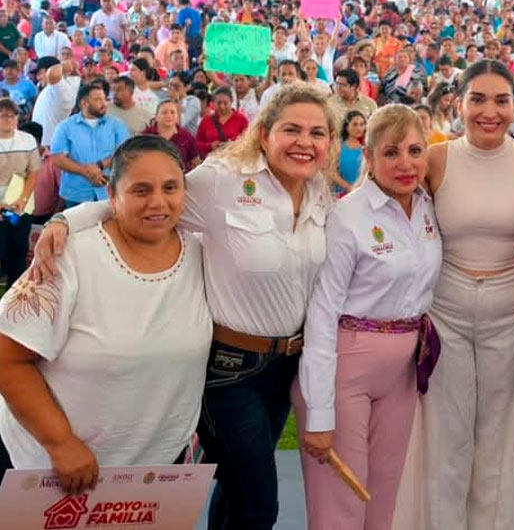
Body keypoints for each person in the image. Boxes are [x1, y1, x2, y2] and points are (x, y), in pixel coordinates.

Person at [35, 83, 339, 529]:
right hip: (230, 373)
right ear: (264, 132)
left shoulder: (319, 193)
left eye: (317, 133)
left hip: (286, 369)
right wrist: (65, 219)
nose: (304, 142)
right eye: (291, 129)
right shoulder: (223, 180)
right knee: (259, 506)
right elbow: (148, 196)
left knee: (237, 495)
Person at [0, 136, 209, 492]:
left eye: (170, 187)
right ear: (112, 196)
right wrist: (60, 443)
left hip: (152, 476)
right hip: (53, 473)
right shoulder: (67, 258)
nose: (158, 202)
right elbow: (7, 357)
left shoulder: (203, 254)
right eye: (140, 190)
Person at [414, 60, 514, 530]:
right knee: (444, 432)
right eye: (478, 99)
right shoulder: (435, 159)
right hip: (444, 311)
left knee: (505, 432)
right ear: (460, 103)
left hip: (512, 310)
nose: (488, 111)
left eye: (500, 100)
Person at [293, 105, 439, 530]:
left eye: (415, 150)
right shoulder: (347, 216)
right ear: (369, 157)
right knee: (341, 499)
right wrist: (320, 412)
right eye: (391, 152)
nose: (406, 163)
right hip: (346, 365)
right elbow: (321, 313)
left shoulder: (429, 207)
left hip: (404, 370)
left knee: (383, 496)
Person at [50, 83, 131, 207]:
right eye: (98, 99)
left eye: (104, 99)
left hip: (109, 190)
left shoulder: (117, 124)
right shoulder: (65, 127)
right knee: (78, 226)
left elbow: (126, 152)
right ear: (84, 103)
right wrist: (85, 171)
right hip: (76, 192)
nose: (104, 103)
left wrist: (99, 165)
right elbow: (57, 159)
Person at [0, 100, 40, 285]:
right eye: (3, 115)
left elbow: (34, 171)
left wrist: (22, 199)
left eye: (12, 115)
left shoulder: (27, 140)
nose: (8, 119)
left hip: (20, 202)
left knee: (18, 247)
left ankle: (15, 289)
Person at [143, 99, 200, 170]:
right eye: (164, 113)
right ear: (156, 117)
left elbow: (195, 162)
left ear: (177, 117)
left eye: (172, 112)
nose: (169, 115)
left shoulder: (187, 137)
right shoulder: (145, 136)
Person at [196, 87, 250, 157]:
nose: (222, 107)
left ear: (231, 101)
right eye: (219, 103)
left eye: (225, 103)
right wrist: (210, 146)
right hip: (211, 162)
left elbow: (248, 142)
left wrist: (232, 145)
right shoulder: (206, 120)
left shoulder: (241, 120)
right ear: (213, 103)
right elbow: (196, 144)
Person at [331, 111, 366, 196]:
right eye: (355, 124)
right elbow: (332, 172)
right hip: (341, 193)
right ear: (347, 126)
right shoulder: (338, 145)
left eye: (362, 124)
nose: (359, 128)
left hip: (363, 193)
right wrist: (349, 187)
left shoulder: (368, 146)